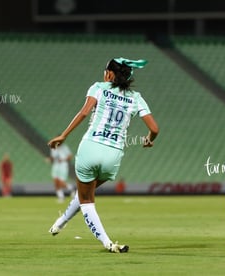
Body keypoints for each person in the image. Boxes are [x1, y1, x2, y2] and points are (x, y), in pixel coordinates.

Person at [47, 57, 159, 253]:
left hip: (90, 147)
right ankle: (61, 222)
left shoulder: (99, 87)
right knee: (85, 193)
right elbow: (155, 128)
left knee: (86, 199)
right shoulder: (135, 97)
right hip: (113, 156)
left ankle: (107, 243)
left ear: (110, 74)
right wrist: (149, 139)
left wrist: (64, 135)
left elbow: (83, 112)